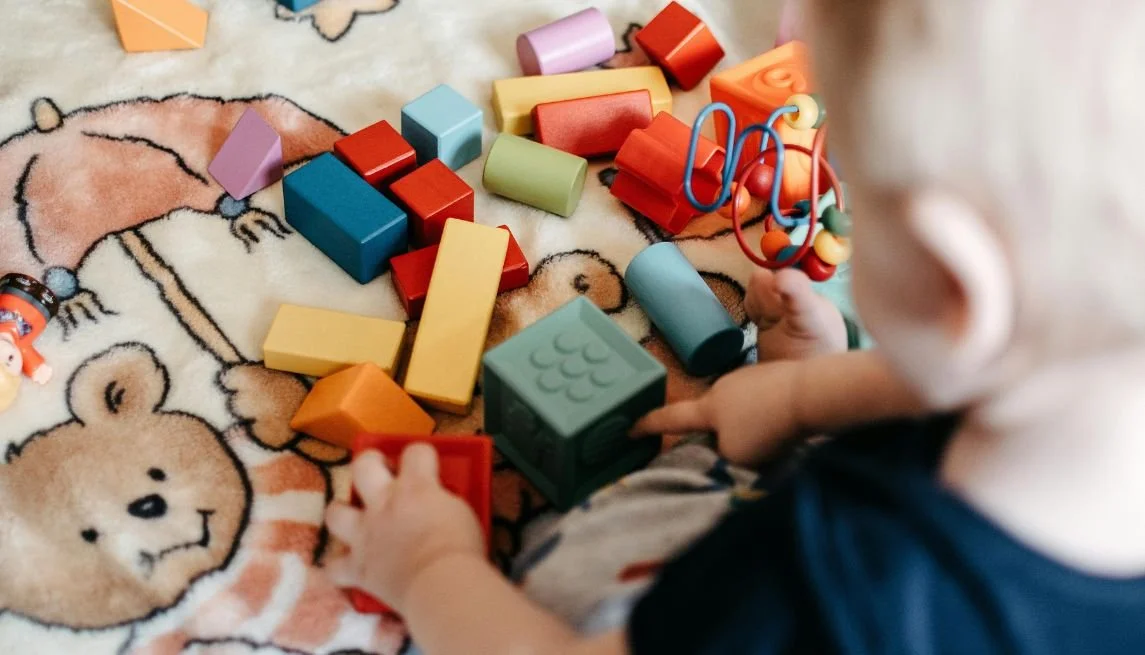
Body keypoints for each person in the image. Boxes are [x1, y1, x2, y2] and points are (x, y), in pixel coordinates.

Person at [324, 0, 1145, 652]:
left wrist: (430, 566)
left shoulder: (819, 589)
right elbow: (970, 386)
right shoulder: (1093, 378)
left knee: (564, 587)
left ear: (950, 284)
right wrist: (798, 397)